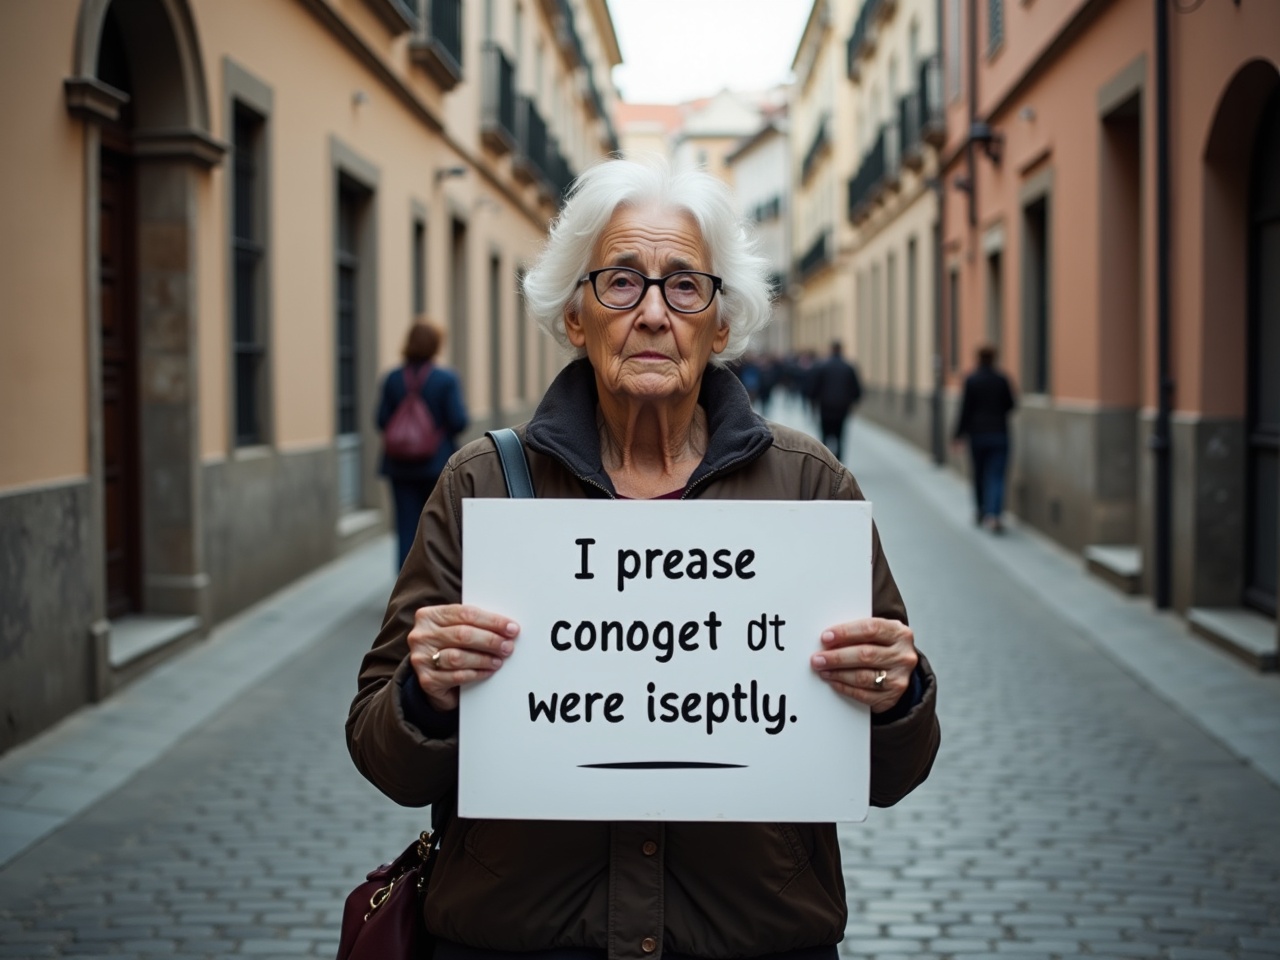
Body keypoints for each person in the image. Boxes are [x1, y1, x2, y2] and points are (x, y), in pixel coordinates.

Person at [347, 157, 940, 960]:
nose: (654, 312)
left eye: (685, 285)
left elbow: (889, 773)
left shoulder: (811, 488)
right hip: (515, 943)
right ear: (576, 318)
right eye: (621, 281)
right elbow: (384, 756)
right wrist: (424, 692)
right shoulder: (481, 485)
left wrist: (896, 694)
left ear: (721, 324)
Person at [375, 320, 468, 568]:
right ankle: (433, 581)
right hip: (435, 465)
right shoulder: (446, 379)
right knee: (438, 525)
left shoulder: (393, 378)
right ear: (436, 345)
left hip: (399, 466)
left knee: (405, 525)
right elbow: (459, 421)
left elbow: (381, 420)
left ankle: (405, 585)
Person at [952, 343, 1017, 533]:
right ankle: (994, 515)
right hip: (999, 433)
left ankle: (981, 510)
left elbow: (965, 410)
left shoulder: (972, 380)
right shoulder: (1002, 379)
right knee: (996, 475)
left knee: (979, 474)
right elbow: (1011, 404)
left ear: (978, 359)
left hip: (978, 435)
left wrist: (958, 435)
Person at [808, 341, 863, 461]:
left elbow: (814, 387)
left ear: (831, 349)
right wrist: (852, 401)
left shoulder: (822, 366)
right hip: (842, 407)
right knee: (840, 435)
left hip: (825, 406)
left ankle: (826, 460)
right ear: (841, 350)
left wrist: (813, 401)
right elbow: (856, 389)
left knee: (825, 434)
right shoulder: (848, 367)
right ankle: (839, 461)